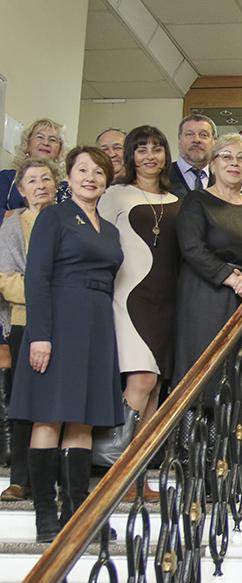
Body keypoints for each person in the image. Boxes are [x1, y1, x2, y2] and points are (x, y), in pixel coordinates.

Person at [8, 147, 123, 543]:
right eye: (82, 170)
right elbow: (36, 278)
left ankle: (76, 513)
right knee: (48, 417)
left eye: (99, 172)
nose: (91, 177)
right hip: (57, 324)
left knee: (82, 420)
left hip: (97, 326)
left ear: (107, 181)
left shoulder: (110, 230)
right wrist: (40, 335)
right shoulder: (53, 216)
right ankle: (45, 515)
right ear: (69, 177)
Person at [94, 126, 181, 502]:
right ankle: (115, 474)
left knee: (156, 389)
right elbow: (97, 243)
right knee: (141, 381)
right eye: (141, 149)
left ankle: (139, 478)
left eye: (157, 149)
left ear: (166, 155)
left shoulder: (178, 199)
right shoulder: (115, 194)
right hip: (128, 298)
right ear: (130, 156)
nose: (149, 156)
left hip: (167, 302)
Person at [173, 134, 242, 395]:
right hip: (207, 296)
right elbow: (192, 248)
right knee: (206, 379)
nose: (234, 163)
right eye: (226, 156)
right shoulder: (196, 201)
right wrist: (234, 280)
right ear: (213, 163)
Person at [0, 159, 58, 502]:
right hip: (26, 321)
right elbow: (6, 280)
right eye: (32, 181)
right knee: (25, 402)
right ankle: (21, 478)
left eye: (46, 179)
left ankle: (53, 476)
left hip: (65, 322)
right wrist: (49, 291)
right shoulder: (13, 225)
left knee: (58, 402)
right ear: (21, 189)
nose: (40, 186)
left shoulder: (68, 219)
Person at [1, 118, 70, 213]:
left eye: (52, 140)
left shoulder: (66, 189)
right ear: (27, 144)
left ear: (59, 150)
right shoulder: (6, 178)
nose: (46, 143)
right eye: (40, 137)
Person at [169, 114, 216, 197]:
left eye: (203, 135)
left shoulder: (222, 179)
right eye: (189, 134)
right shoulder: (160, 176)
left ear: (214, 141)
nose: (196, 140)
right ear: (179, 140)